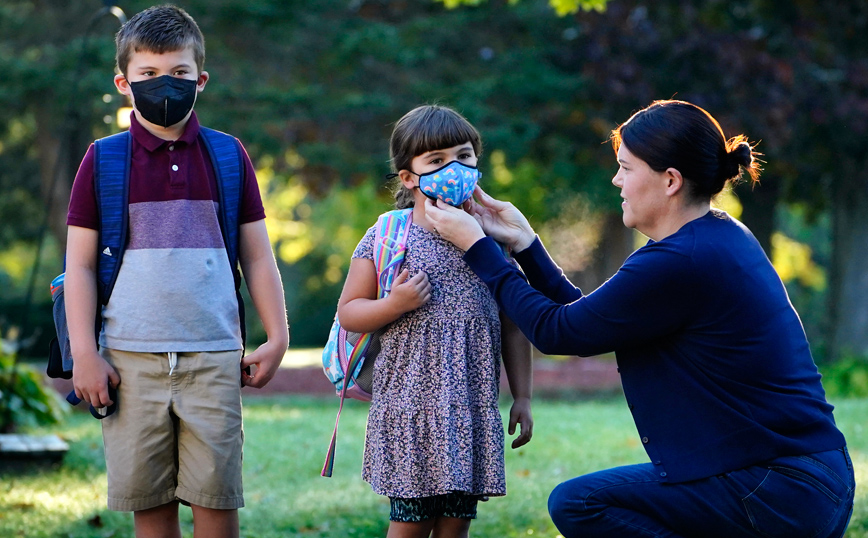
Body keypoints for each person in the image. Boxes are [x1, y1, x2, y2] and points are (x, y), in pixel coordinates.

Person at [425, 99, 854, 538]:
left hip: (778, 489)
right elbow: (587, 320)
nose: (616, 180)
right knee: (587, 500)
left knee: (582, 504)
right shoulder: (712, 238)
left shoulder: (682, 260)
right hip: (801, 483)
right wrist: (525, 244)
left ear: (669, 181)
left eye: (626, 169)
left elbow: (558, 332)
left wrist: (478, 249)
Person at [65, 5, 289, 538]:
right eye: (148, 74)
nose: (164, 84)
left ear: (200, 79)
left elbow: (257, 256)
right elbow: (77, 265)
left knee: (216, 505)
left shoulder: (228, 156)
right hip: (129, 360)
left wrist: (277, 335)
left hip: (213, 357)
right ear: (124, 81)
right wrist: (84, 354)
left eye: (179, 73)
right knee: (152, 509)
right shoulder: (104, 160)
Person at [337, 104, 534, 538]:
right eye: (437, 160)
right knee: (409, 526)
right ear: (408, 177)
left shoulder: (492, 240)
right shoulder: (391, 233)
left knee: (455, 526)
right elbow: (349, 312)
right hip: (409, 411)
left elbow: (514, 326)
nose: (455, 168)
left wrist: (522, 396)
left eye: (464, 156)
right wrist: (395, 304)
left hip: (469, 411)